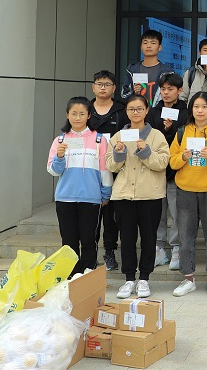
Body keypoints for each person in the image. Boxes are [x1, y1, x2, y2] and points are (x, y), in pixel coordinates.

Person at [106, 95, 170, 300]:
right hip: (124, 194)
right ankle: (128, 278)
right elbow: (110, 165)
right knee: (126, 238)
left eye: (139, 109)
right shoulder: (118, 136)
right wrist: (119, 154)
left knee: (149, 238)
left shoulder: (157, 136)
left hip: (150, 194)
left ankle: (144, 278)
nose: (135, 112)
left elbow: (163, 162)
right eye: (131, 109)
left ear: (146, 110)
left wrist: (146, 151)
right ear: (126, 112)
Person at [169, 91, 207, 298]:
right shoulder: (182, 131)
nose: (200, 110)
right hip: (186, 190)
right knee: (186, 237)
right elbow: (172, 161)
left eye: (204, 107)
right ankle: (188, 279)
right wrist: (183, 157)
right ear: (191, 109)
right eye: (196, 107)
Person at [47, 97, 112, 276]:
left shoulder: (99, 140)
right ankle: (70, 278)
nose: (77, 117)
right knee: (68, 242)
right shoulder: (60, 140)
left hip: (90, 198)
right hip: (65, 198)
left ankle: (87, 277)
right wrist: (60, 157)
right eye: (74, 113)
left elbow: (105, 170)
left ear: (89, 115)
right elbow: (52, 170)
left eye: (82, 114)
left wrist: (106, 194)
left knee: (89, 240)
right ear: (67, 115)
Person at [147, 72, 188, 271]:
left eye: (170, 89)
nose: (166, 93)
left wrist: (171, 130)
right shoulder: (154, 112)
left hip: (176, 169)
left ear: (180, 90)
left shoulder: (185, 111)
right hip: (156, 169)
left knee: (177, 211)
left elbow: (185, 137)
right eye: (163, 89)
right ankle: (159, 247)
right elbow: (151, 136)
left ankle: (176, 247)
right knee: (158, 211)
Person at [88, 70, 126, 271]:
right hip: (89, 168)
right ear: (93, 87)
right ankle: (90, 253)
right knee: (91, 213)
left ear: (114, 88)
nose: (103, 88)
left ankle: (109, 251)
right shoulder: (85, 109)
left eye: (107, 84)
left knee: (111, 216)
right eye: (99, 84)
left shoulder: (121, 110)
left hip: (114, 168)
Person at [120, 29, 174, 105]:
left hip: (158, 111)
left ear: (160, 47)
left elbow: (173, 97)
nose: (148, 46)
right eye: (145, 43)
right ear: (141, 47)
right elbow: (124, 95)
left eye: (153, 43)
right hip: (137, 111)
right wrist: (134, 92)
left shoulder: (167, 72)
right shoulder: (133, 70)